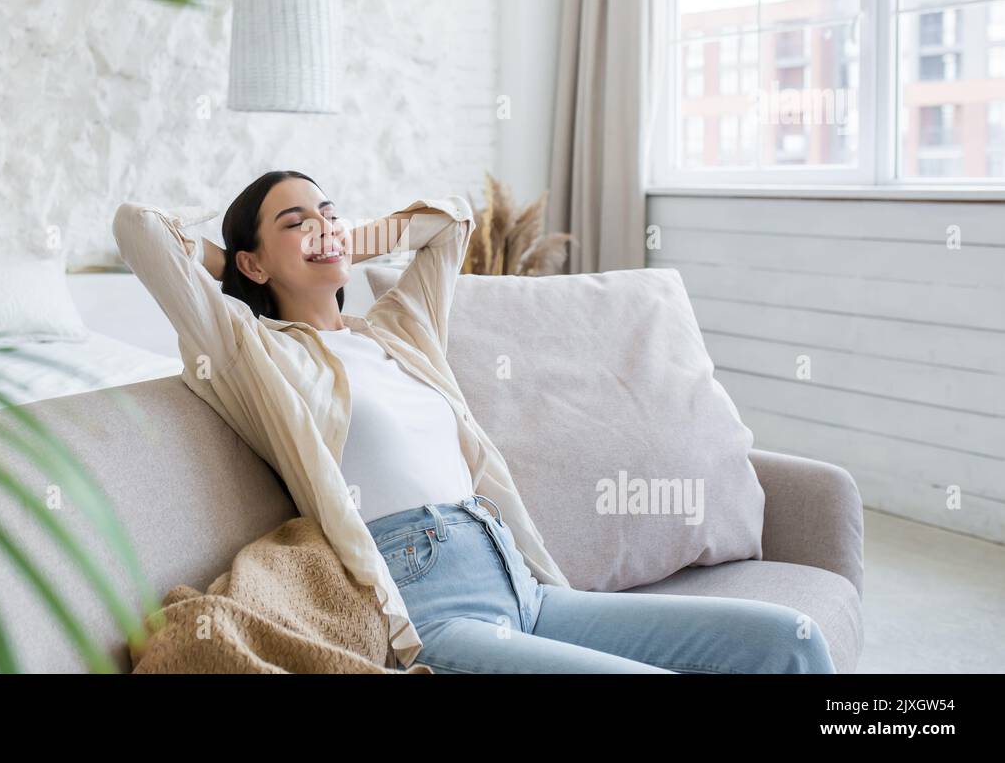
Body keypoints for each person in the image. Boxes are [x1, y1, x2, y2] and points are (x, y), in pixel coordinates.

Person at [112, 169, 836, 674]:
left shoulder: (398, 331)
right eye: (294, 222)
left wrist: (339, 238)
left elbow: (452, 220)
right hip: (432, 609)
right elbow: (140, 230)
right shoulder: (256, 354)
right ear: (253, 262)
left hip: (524, 586)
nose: (323, 228)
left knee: (790, 643)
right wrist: (237, 267)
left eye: (329, 212)